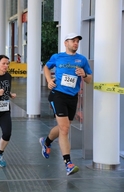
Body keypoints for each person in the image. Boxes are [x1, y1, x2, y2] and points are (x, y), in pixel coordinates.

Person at [40, 33, 92, 175]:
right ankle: (68, 163)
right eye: (73, 41)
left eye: (77, 41)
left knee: (65, 126)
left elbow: (89, 80)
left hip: (72, 97)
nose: (76, 43)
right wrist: (48, 79)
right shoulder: (57, 57)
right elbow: (46, 67)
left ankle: (46, 141)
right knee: (65, 129)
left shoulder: (82, 60)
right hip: (58, 95)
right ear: (66, 43)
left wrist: (84, 74)